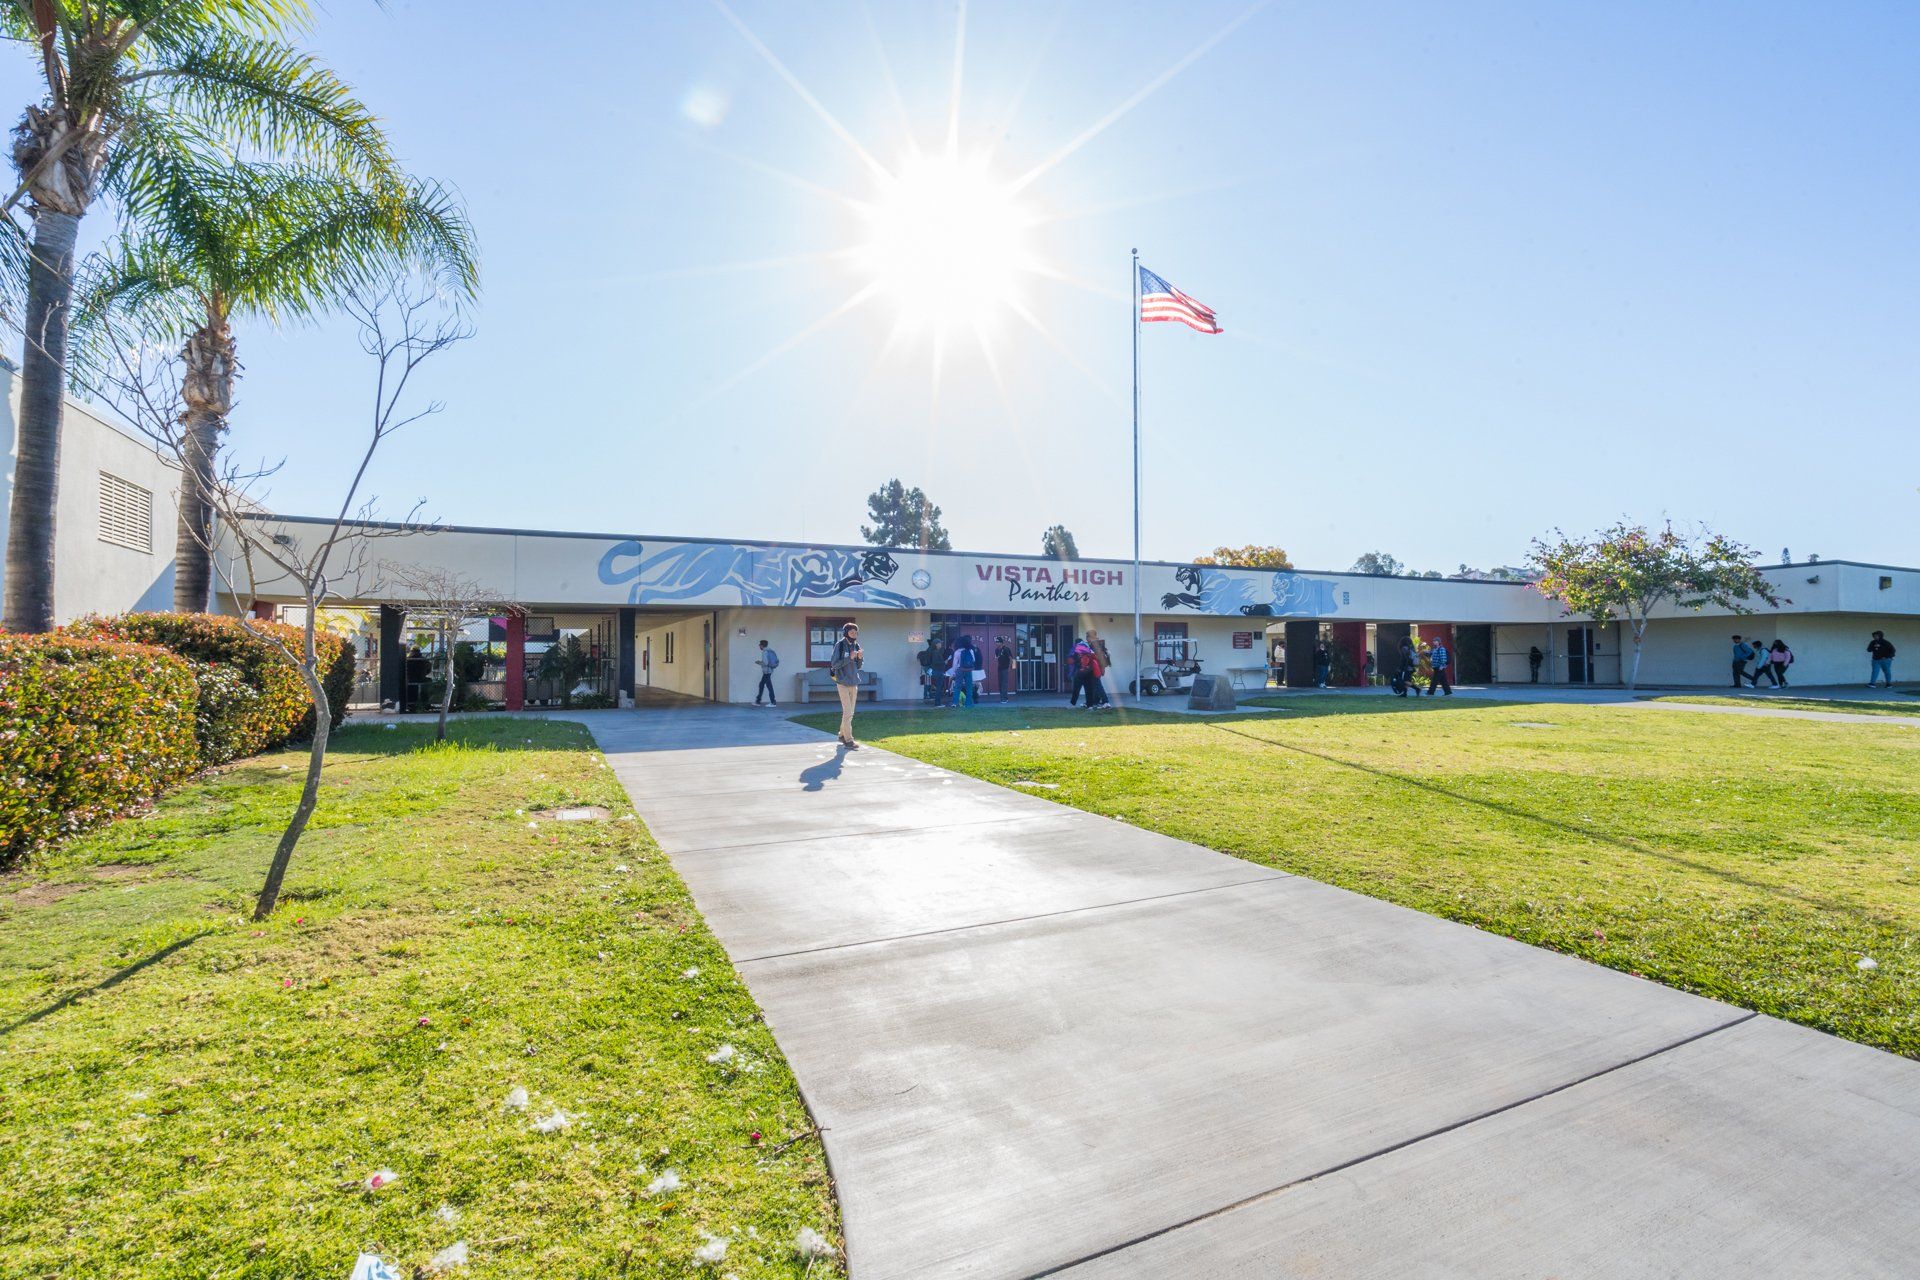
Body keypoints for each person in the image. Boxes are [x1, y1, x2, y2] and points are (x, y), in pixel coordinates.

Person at [830, 622, 863, 748]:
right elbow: (834, 664)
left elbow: (859, 666)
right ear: (846, 633)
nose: (854, 634)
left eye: (856, 632)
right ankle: (849, 740)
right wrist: (850, 657)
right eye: (851, 632)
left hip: (854, 682)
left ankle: (841, 734)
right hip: (842, 682)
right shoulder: (840, 645)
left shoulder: (856, 645)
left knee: (850, 712)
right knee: (848, 712)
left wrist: (859, 657)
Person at [947, 633, 979, 708]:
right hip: (968, 670)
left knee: (957, 687)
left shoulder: (957, 652)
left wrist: (953, 673)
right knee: (969, 687)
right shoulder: (970, 650)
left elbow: (954, 664)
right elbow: (973, 660)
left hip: (959, 670)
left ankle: (955, 703)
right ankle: (968, 704)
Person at [753, 638, 781, 706]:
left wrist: (758, 662)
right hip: (769, 670)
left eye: (760, 645)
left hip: (767, 671)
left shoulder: (765, 652)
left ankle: (773, 702)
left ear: (762, 645)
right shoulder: (771, 651)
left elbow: (765, 663)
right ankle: (758, 701)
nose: (759, 646)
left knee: (769, 686)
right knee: (761, 684)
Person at [994, 636, 1015, 702]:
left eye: (998, 642)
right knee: (1000, 684)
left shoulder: (1006, 649)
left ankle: (1004, 699)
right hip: (999, 668)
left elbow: (1011, 659)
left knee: (1004, 684)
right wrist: (997, 659)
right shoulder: (996, 650)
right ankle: (1003, 697)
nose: (997, 643)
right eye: (996, 642)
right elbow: (996, 658)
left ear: (1001, 643)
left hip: (1005, 668)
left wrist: (1011, 668)